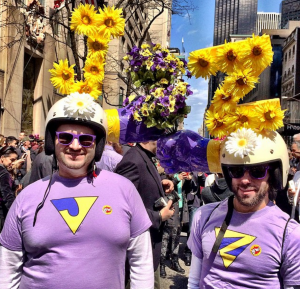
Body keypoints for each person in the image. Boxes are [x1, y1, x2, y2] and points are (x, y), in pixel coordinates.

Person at [0, 93, 154, 288]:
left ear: (97, 146)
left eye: (86, 139)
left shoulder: (124, 190)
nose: (75, 146)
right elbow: (8, 270)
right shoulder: (28, 197)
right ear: (51, 142)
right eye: (64, 137)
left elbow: (141, 263)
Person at [188, 129, 300, 288]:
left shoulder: (290, 235)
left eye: (257, 171)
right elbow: (194, 280)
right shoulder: (204, 216)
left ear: (274, 174)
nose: (245, 180)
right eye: (236, 171)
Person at [115, 141, 175, 289]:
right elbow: (120, 207)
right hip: (139, 252)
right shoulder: (132, 160)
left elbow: (140, 187)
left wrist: (160, 183)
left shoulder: (144, 156)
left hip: (150, 244)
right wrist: (159, 216)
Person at [0, 146, 19, 232]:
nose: (13, 163)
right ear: (3, 158)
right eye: (12, 160)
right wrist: (14, 212)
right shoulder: (4, 174)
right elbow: (7, 196)